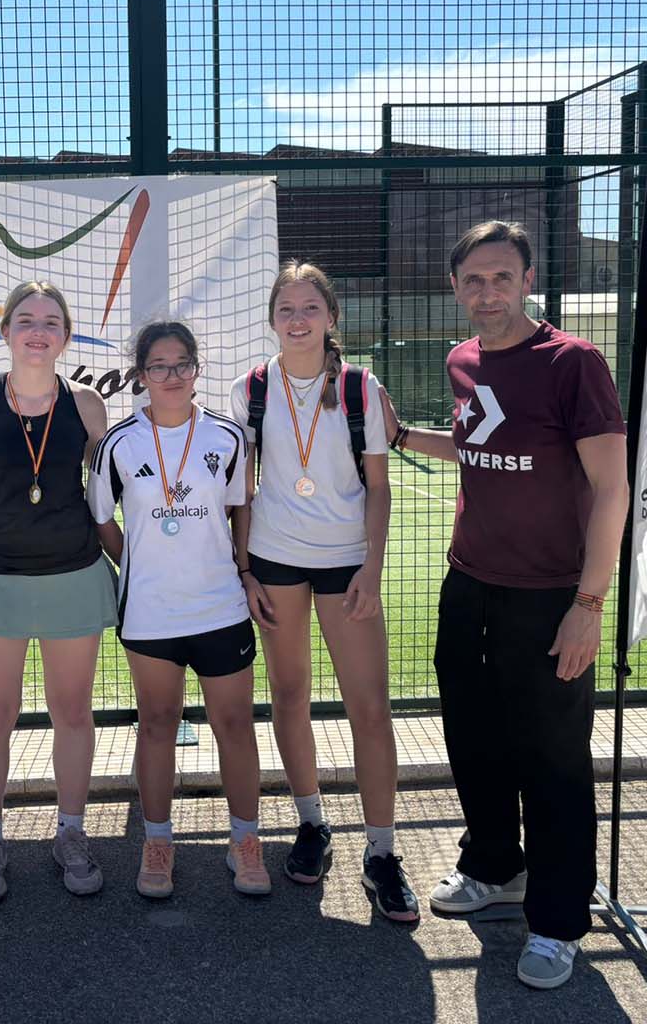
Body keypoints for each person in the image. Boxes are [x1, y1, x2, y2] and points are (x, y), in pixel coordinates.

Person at [381, 220, 628, 990]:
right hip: (469, 586)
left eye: (501, 277)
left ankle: (557, 921)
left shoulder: (572, 362)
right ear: (455, 287)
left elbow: (612, 488)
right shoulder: (463, 359)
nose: (487, 293)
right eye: (473, 280)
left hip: (551, 595)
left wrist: (590, 603)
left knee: (553, 761)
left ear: (527, 280)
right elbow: (477, 446)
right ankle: (494, 867)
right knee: (475, 741)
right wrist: (402, 435)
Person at [229, 261, 419, 922]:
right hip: (275, 560)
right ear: (271, 320)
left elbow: (379, 488)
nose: (298, 320)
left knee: (369, 707)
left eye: (310, 308)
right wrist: (245, 569)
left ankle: (382, 852)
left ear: (332, 317)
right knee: (289, 696)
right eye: (286, 309)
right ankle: (311, 823)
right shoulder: (250, 388)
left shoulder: (362, 387)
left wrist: (372, 569)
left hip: (347, 565)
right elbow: (240, 491)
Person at [0, 281, 120, 903]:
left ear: (65, 335)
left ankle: (70, 832)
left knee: (72, 712)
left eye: (50, 321)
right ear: (5, 332)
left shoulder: (88, 404)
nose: (37, 331)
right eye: (25, 320)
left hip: (74, 573)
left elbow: (106, 486)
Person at [87, 320, 268, 898]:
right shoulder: (118, 444)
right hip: (150, 612)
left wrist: (243, 570)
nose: (171, 375)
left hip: (220, 607)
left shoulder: (228, 437)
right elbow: (101, 520)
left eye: (181, 364)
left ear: (197, 369)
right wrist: (138, 565)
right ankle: (158, 842)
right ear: (140, 376)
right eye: (158, 366)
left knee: (234, 724)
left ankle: (245, 840)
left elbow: (241, 509)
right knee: (158, 722)